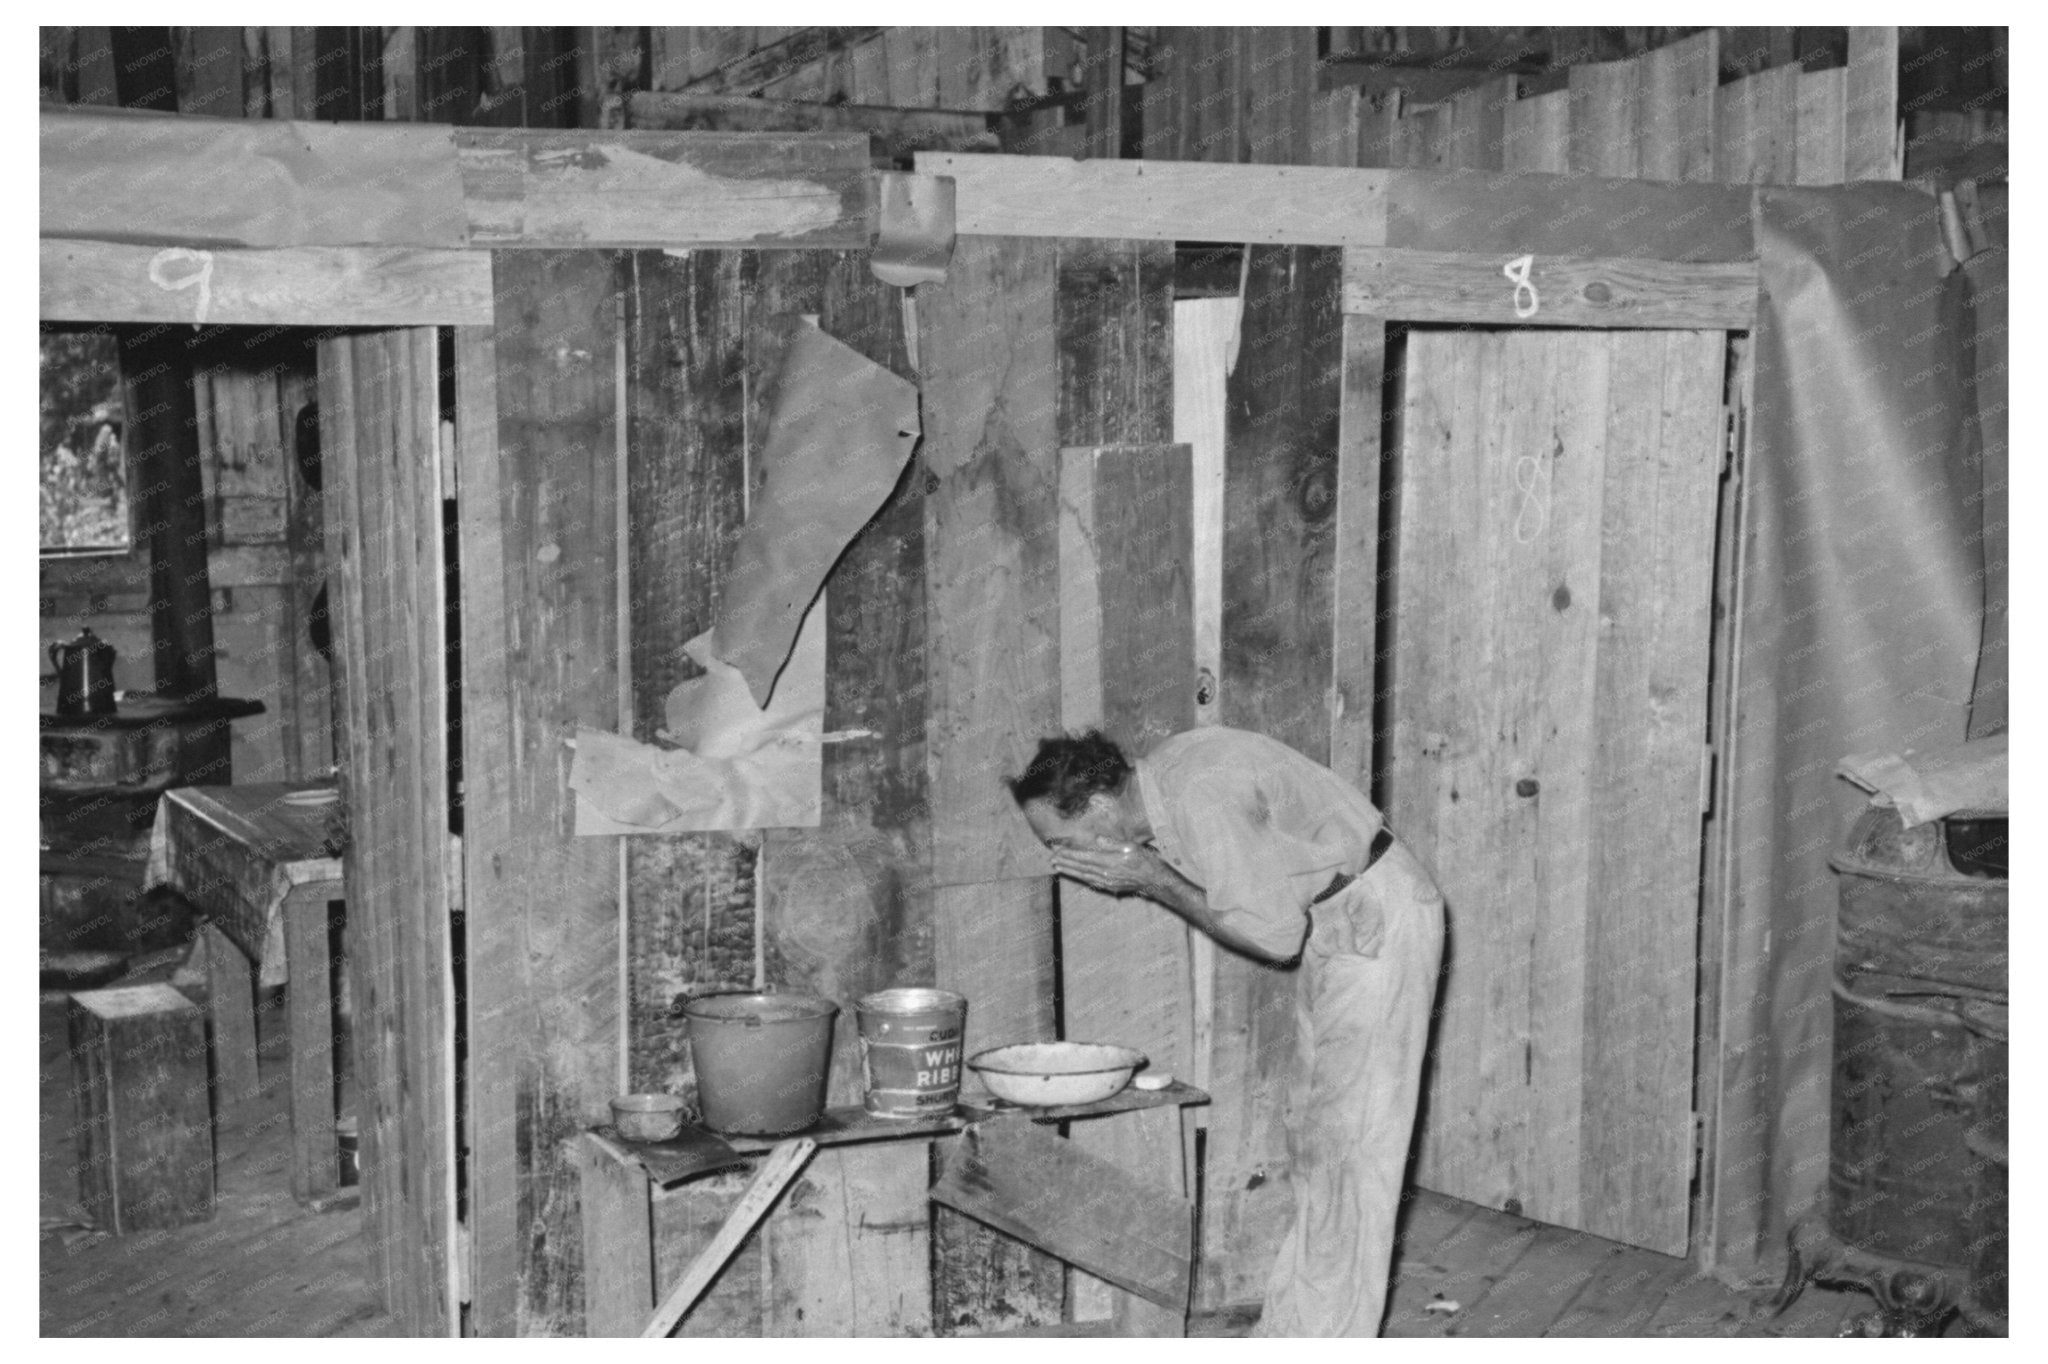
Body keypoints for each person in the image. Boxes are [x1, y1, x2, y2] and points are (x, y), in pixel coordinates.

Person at [1006, 725, 1445, 1337]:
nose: (1058, 850)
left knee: (1354, 1146)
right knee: (1317, 1137)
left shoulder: (1199, 795)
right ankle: (1296, 1333)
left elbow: (1274, 939)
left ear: (1102, 808)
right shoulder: (1166, 781)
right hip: (1340, 918)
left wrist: (1152, 879)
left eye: (1059, 837)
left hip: (1376, 917)